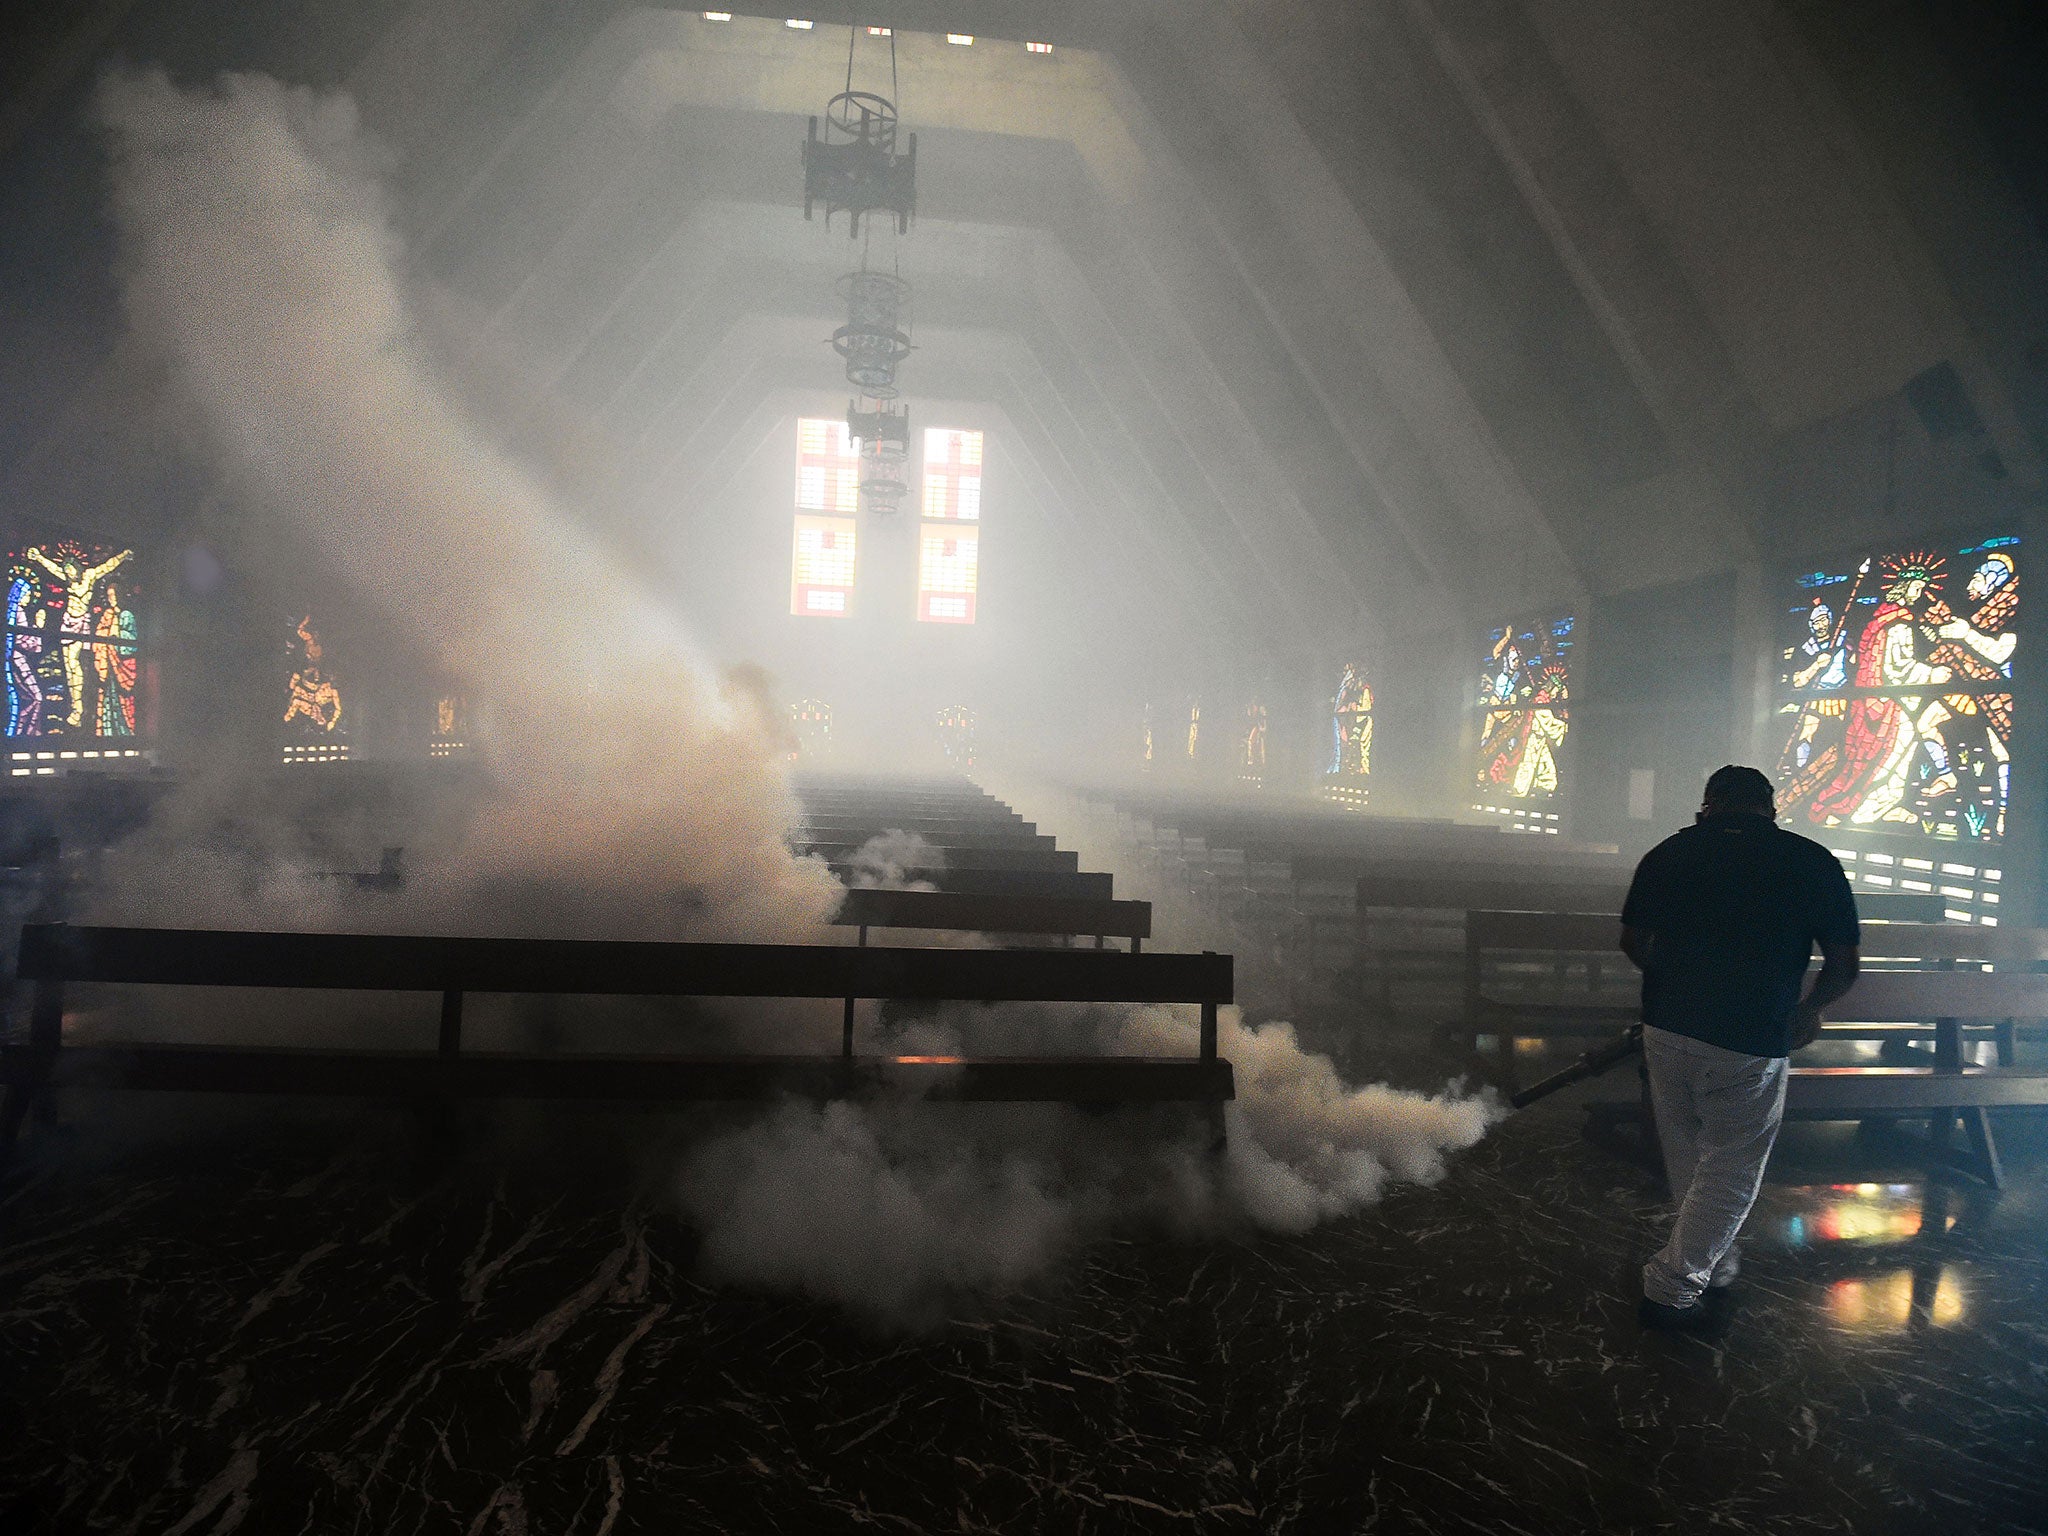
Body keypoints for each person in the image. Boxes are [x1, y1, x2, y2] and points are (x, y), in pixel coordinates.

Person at [1619, 765, 1861, 1331]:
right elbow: (1844, 966)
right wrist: (1807, 1012)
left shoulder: (1669, 854)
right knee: (1732, 1162)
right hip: (1750, 1034)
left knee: (1690, 1153)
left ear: (1707, 806)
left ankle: (1715, 1261)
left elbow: (1632, 940)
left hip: (1667, 1026)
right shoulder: (1810, 860)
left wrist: (1672, 988)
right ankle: (1673, 1283)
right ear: (1771, 808)